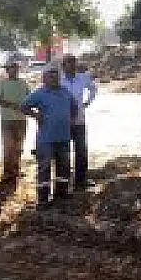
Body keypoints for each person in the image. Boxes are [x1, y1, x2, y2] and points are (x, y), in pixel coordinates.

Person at [20, 67, 78, 207]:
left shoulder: (65, 91)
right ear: (44, 78)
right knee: (44, 167)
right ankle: (43, 199)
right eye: (51, 76)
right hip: (46, 138)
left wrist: (72, 119)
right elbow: (23, 106)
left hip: (63, 137)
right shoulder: (39, 93)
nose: (54, 79)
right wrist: (35, 115)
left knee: (64, 166)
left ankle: (61, 194)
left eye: (56, 77)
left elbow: (74, 106)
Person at [59, 54, 97, 190]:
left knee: (81, 151)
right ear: (63, 66)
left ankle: (80, 181)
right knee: (63, 152)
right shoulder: (58, 80)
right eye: (69, 63)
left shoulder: (82, 78)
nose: (72, 66)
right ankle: (64, 182)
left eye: (73, 63)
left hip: (79, 120)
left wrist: (87, 102)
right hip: (63, 122)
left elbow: (93, 88)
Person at [0, 60, 31, 185]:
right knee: (8, 146)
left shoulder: (24, 83)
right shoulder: (2, 83)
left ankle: (16, 170)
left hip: (22, 119)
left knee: (19, 146)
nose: (13, 70)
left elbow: (30, 99)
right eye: (10, 68)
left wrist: (31, 110)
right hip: (7, 120)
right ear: (7, 70)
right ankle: (7, 172)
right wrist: (10, 105)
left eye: (15, 68)